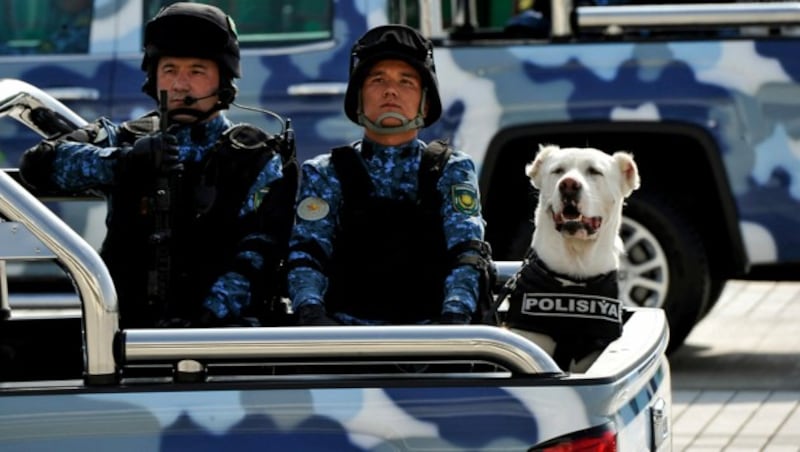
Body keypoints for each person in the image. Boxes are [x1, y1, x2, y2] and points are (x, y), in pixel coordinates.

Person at [18, 2, 297, 328]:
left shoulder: (258, 157)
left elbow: (261, 252)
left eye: (196, 71)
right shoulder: (124, 139)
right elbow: (38, 165)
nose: (180, 85)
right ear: (154, 78)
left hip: (221, 338)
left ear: (222, 81)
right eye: (170, 70)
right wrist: (124, 163)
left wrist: (205, 318)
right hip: (126, 336)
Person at [286, 24, 494, 327]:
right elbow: (306, 255)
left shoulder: (451, 169)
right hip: (344, 342)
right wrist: (312, 315)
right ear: (358, 97)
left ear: (425, 101)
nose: (391, 91)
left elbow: (467, 253)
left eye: (406, 81)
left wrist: (453, 321)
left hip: (434, 342)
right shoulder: (325, 172)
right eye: (377, 80)